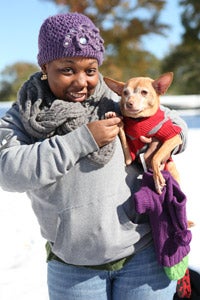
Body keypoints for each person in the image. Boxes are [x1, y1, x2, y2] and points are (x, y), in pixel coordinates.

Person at [0, 13, 188, 300]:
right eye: (67, 70)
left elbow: (174, 124)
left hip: (143, 257)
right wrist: (83, 140)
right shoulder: (24, 117)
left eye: (90, 70)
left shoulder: (116, 101)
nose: (81, 82)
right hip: (74, 267)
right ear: (44, 66)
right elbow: (9, 172)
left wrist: (167, 143)